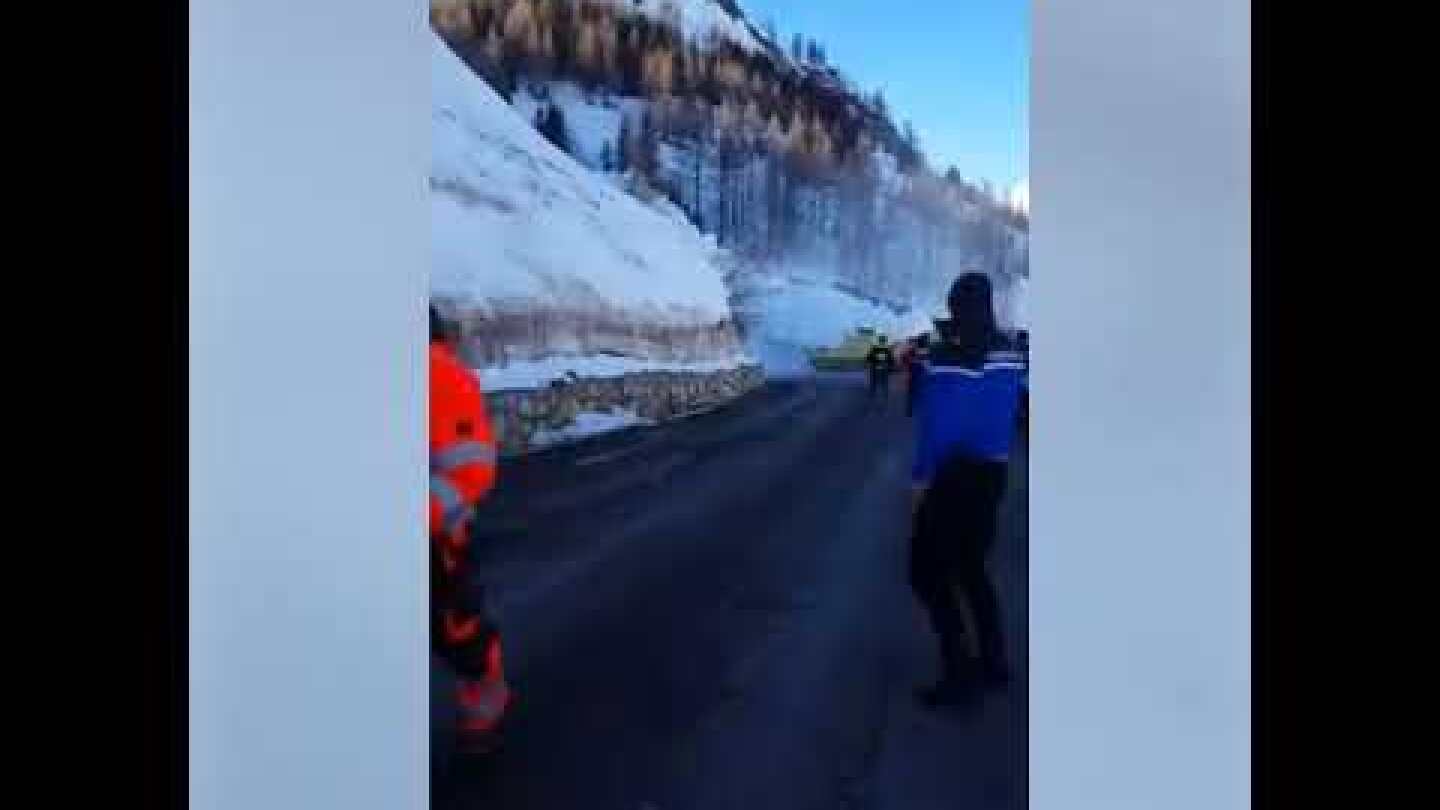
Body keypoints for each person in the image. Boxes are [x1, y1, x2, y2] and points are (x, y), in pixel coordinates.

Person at [907, 273, 1026, 710]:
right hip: (994, 473)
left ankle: (958, 672)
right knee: (972, 567)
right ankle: (994, 662)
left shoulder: (947, 358)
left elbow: (938, 428)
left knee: (926, 573)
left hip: (953, 475)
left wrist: (921, 481)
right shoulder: (1011, 354)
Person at [430, 304, 512, 754]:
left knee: (455, 629)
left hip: (437, 539)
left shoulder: (441, 376)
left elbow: (472, 468)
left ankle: (484, 695)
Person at [902, 333, 931, 417]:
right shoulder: (927, 350)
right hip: (919, 375)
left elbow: (905, 360)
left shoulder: (913, 350)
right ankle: (911, 410)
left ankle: (910, 410)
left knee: (912, 393)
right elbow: (905, 359)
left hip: (916, 375)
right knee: (917, 393)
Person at [864, 334, 898, 404]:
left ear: (879, 341)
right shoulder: (887, 349)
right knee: (884, 383)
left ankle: (872, 396)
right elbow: (891, 360)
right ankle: (885, 396)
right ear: (885, 341)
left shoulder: (874, 348)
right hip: (884, 369)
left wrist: (868, 364)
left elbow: (868, 358)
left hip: (875, 368)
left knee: (873, 383)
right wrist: (891, 366)